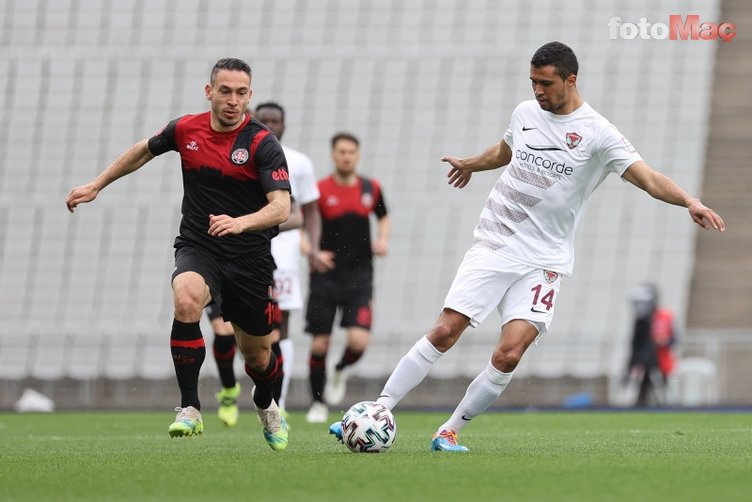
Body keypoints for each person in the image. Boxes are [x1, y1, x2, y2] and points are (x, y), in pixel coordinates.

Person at [329, 41, 725, 451]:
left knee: (510, 354)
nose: (537, 90)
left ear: (570, 81)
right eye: (533, 81)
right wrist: (470, 163)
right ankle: (375, 411)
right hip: (496, 242)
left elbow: (648, 177)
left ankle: (449, 431)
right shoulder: (524, 113)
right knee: (446, 331)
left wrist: (690, 202)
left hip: (545, 260)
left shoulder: (599, 134)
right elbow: (505, 150)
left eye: (545, 83)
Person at [65, 57, 293, 450]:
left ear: (249, 96)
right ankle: (189, 407)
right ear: (209, 92)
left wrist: (240, 222)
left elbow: (281, 207)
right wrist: (97, 184)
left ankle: (265, 401)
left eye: (241, 93)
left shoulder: (262, 144)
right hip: (199, 244)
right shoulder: (186, 129)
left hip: (249, 258)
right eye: (225, 91)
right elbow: (143, 150)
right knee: (186, 298)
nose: (232, 100)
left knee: (258, 359)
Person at [305, 132, 391, 424]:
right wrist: (312, 252)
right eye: (341, 151)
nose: (346, 156)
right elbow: (305, 229)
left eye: (351, 152)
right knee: (319, 345)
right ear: (333, 155)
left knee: (358, 342)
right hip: (326, 277)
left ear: (358, 155)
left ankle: (340, 369)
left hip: (359, 277)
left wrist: (383, 240)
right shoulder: (319, 191)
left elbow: (383, 216)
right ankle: (318, 403)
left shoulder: (371, 188)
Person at [253, 102, 322, 417]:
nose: (269, 124)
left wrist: (315, 249)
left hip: (285, 254)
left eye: (275, 120)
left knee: (283, 323)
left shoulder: (298, 162)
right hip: (248, 251)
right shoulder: (243, 156)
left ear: (284, 124)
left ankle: (277, 400)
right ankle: (260, 374)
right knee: (253, 322)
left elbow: (308, 211)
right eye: (263, 119)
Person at [210, 201, 302, 427]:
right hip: (214, 262)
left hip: (256, 264)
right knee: (222, 332)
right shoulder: (210, 176)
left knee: (272, 340)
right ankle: (229, 391)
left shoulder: (268, 174)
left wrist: (255, 223)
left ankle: (275, 406)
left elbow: (296, 216)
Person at [621, 283, 677, 407]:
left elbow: (673, 339)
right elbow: (636, 345)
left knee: (661, 389)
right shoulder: (640, 323)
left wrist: (664, 341)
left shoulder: (663, 317)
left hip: (660, 360)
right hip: (643, 360)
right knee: (643, 389)